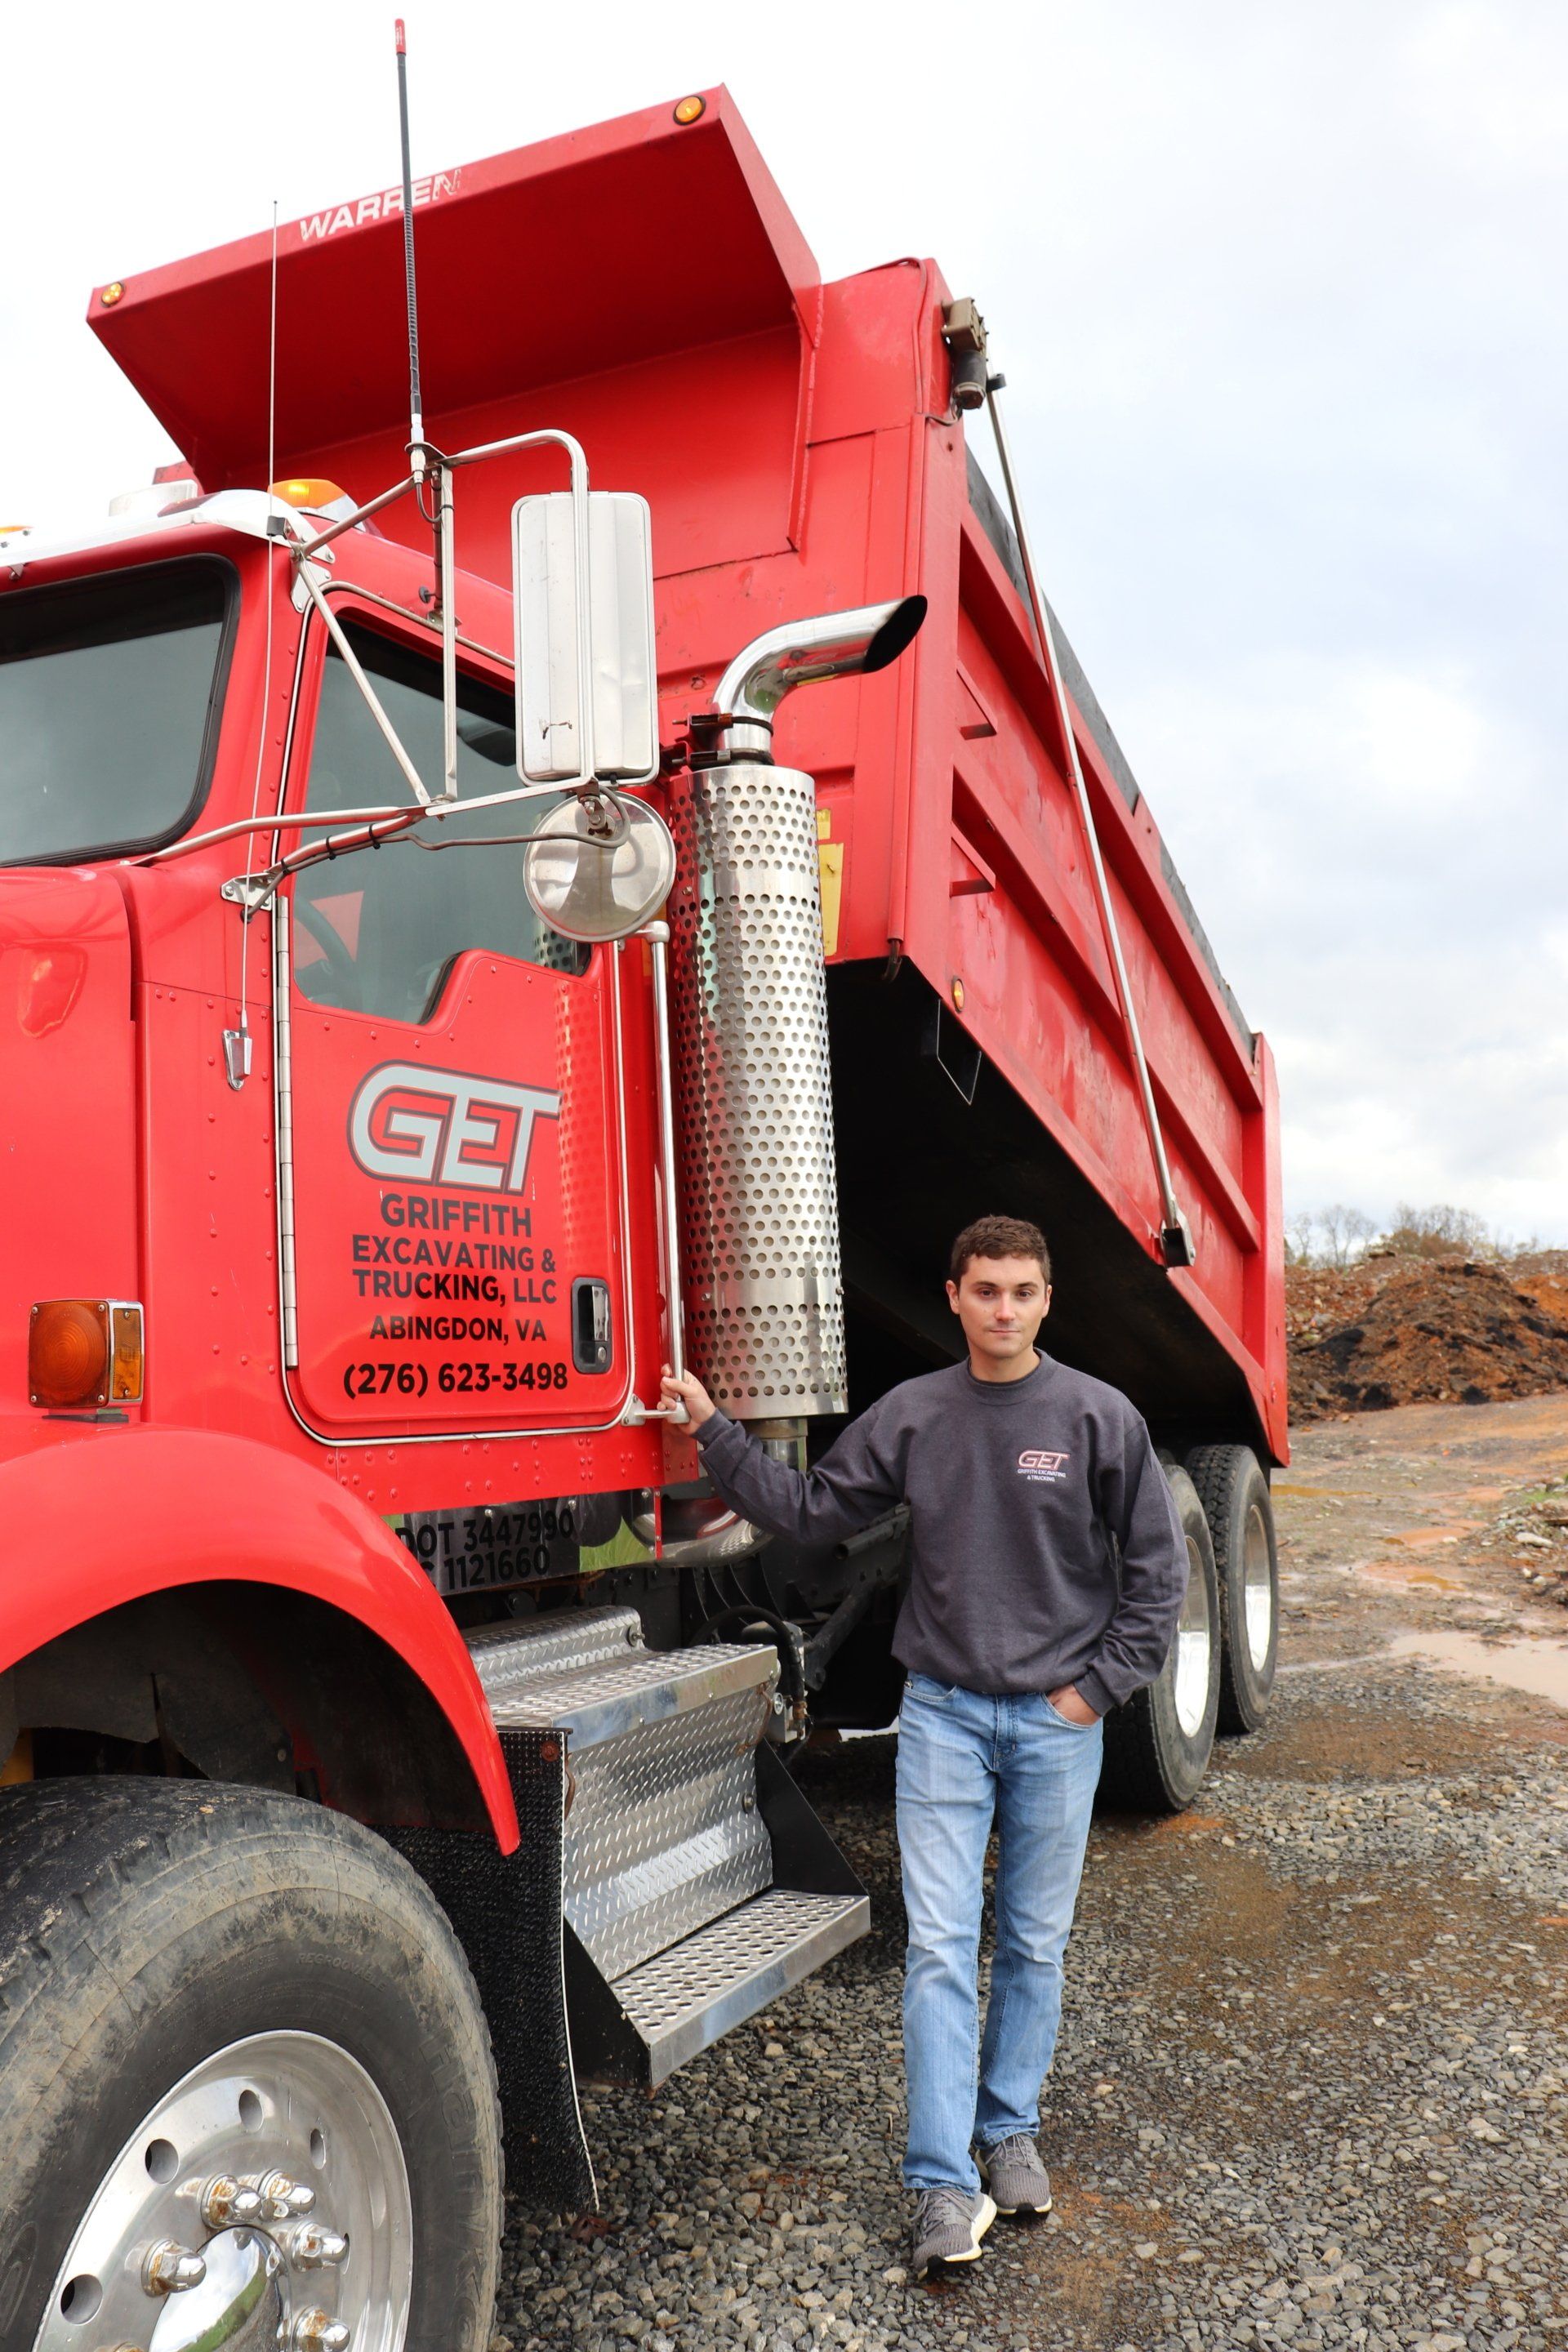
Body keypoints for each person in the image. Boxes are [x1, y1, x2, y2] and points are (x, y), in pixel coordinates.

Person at [660, 1213, 1186, 2280]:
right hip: (943, 1716)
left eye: (1022, 1292)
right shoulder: (915, 1415)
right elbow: (807, 1511)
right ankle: (943, 2186)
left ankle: (1008, 2133)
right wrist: (716, 1430)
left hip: (1055, 1722)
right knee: (942, 1951)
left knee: (1033, 1943)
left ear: (1047, 1300)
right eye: (984, 1289)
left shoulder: (1098, 1418)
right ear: (954, 1296)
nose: (1003, 1309)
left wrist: (1092, 1697)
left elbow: (1157, 1578)